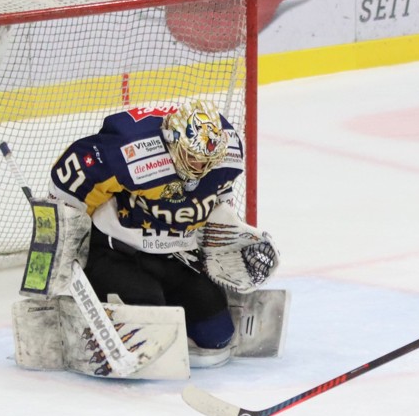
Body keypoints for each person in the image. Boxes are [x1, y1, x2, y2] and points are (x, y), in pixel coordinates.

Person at [48, 100, 269, 368]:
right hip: (117, 252)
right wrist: (65, 250)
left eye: (208, 161)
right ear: (172, 141)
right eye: (193, 158)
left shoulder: (227, 154)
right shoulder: (132, 152)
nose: (201, 167)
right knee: (150, 327)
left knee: (217, 335)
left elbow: (219, 199)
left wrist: (230, 237)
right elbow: (66, 189)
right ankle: (95, 313)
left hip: (176, 255)